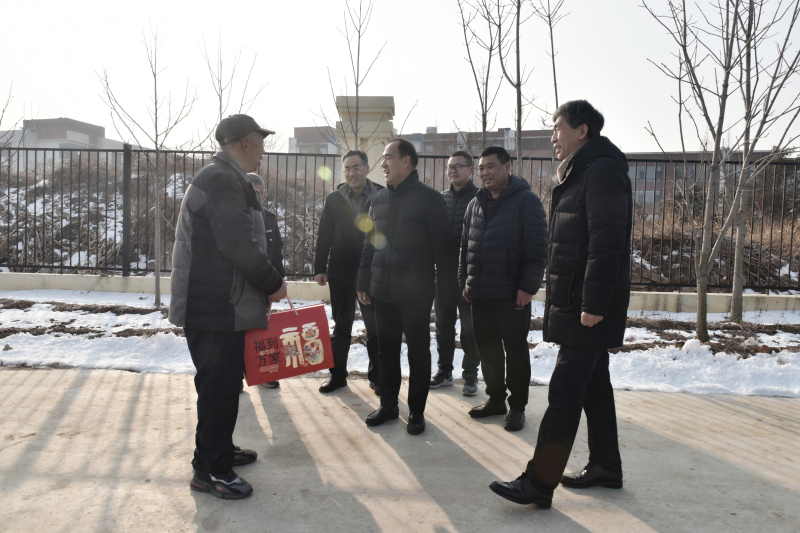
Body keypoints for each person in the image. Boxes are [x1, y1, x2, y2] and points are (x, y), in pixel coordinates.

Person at [489, 100, 632, 509]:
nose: (553, 136)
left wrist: (594, 303)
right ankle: (606, 465)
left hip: (586, 305)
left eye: (557, 128)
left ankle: (539, 481)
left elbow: (607, 242)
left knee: (565, 393)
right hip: (577, 299)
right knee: (595, 387)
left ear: (581, 130)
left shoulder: (601, 170)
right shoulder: (582, 169)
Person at [169, 114, 288, 500]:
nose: (264, 151)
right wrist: (272, 282)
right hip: (214, 306)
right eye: (261, 142)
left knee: (222, 387)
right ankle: (210, 470)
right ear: (245, 143)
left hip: (222, 304)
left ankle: (220, 450)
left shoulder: (226, 177)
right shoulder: (221, 179)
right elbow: (238, 244)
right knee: (218, 390)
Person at [357, 139, 456, 436]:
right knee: (386, 351)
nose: (383, 164)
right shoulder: (378, 199)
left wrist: (446, 293)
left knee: (418, 353)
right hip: (382, 291)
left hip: (416, 294)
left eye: (388, 157)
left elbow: (445, 251)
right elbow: (369, 244)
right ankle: (388, 405)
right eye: (382, 158)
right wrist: (363, 280)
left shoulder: (430, 199)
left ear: (406, 161)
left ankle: (416, 411)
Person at [460, 146, 547, 432]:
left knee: (515, 351)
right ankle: (496, 400)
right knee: (488, 351)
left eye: (491, 167)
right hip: (480, 293)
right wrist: (466, 281)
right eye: (481, 168)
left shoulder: (526, 201)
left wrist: (527, 287)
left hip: (512, 295)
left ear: (507, 167)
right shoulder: (475, 203)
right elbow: (465, 247)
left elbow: (537, 249)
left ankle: (517, 406)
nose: (485, 173)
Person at [314, 150, 383, 395]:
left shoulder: (381, 196)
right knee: (341, 327)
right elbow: (324, 233)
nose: (351, 173)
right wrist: (320, 268)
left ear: (366, 168)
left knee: (375, 328)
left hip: (371, 273)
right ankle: (337, 376)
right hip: (341, 272)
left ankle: (378, 377)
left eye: (356, 167)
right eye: (347, 169)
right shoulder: (334, 198)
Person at [430, 151, 481, 396]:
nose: (452, 170)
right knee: (443, 327)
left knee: (470, 329)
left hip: (470, 276)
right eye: (450, 166)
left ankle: (470, 375)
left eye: (458, 166)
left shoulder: (481, 198)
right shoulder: (440, 199)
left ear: (471, 169)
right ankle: (444, 371)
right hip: (444, 275)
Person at [247, 172, 285, 389]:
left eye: (260, 193)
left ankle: (263, 373)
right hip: (242, 283)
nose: (257, 197)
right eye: (253, 192)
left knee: (262, 328)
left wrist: (278, 281)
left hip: (265, 281)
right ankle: (236, 376)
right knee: (238, 332)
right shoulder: (238, 216)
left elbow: (277, 250)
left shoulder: (270, 217)